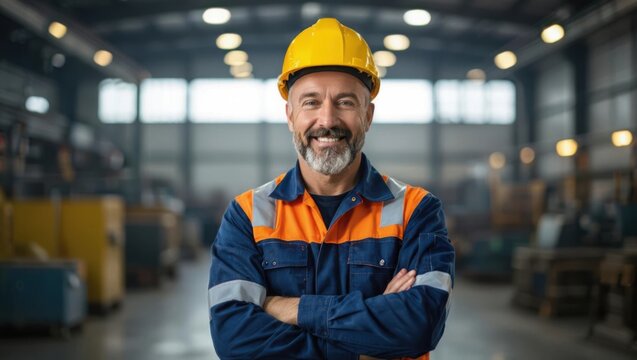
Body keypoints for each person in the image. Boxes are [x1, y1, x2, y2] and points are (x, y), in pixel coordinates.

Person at [208, 18, 455, 360]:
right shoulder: (247, 215)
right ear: (290, 115)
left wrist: (292, 310)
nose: (327, 120)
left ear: (367, 115)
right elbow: (234, 339)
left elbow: (419, 326)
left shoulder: (417, 209)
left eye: (345, 102)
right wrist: (371, 329)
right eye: (311, 102)